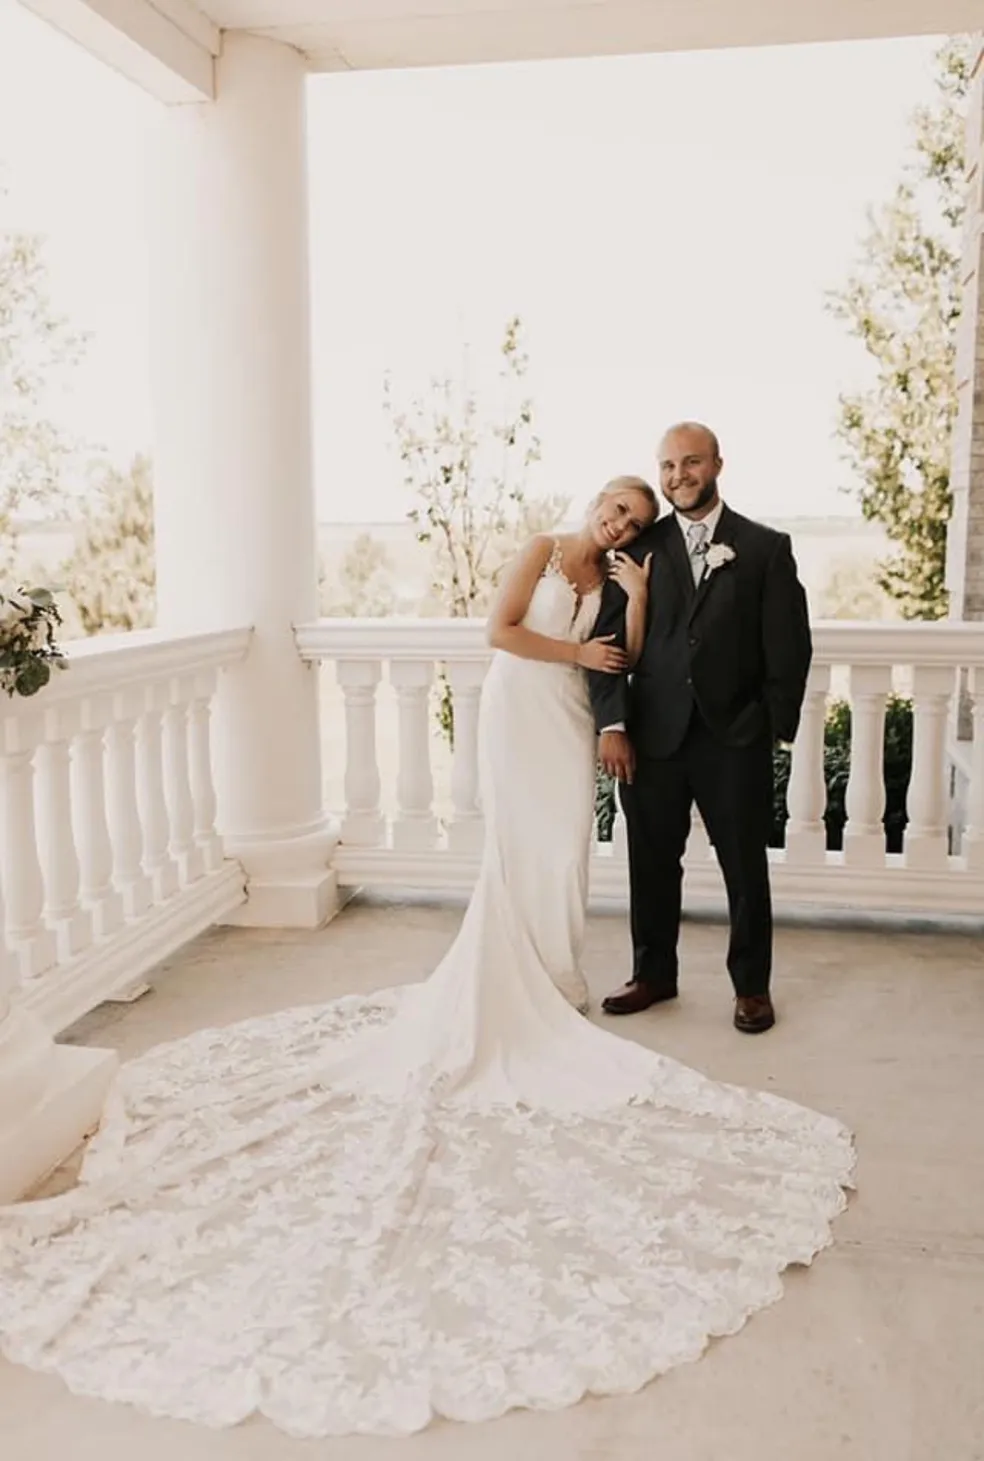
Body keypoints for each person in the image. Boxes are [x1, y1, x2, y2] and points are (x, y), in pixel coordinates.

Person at [0, 475, 852, 1441]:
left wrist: (639, 599)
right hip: (519, 707)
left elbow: (629, 653)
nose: (617, 523)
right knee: (516, 848)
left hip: (570, 717)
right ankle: (515, 977)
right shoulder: (539, 550)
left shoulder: (623, 574)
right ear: (595, 501)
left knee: (564, 848)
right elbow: (500, 632)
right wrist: (578, 643)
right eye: (614, 506)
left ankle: (556, 972)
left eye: (633, 519)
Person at [590, 422, 812, 1033]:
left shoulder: (764, 548)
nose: (677, 476)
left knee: (744, 866)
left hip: (733, 736)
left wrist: (769, 727)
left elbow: (789, 648)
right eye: (667, 466)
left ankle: (751, 987)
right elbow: (606, 643)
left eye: (690, 463)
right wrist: (612, 723)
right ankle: (654, 973)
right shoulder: (638, 547)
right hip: (652, 736)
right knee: (651, 862)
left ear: (717, 464)